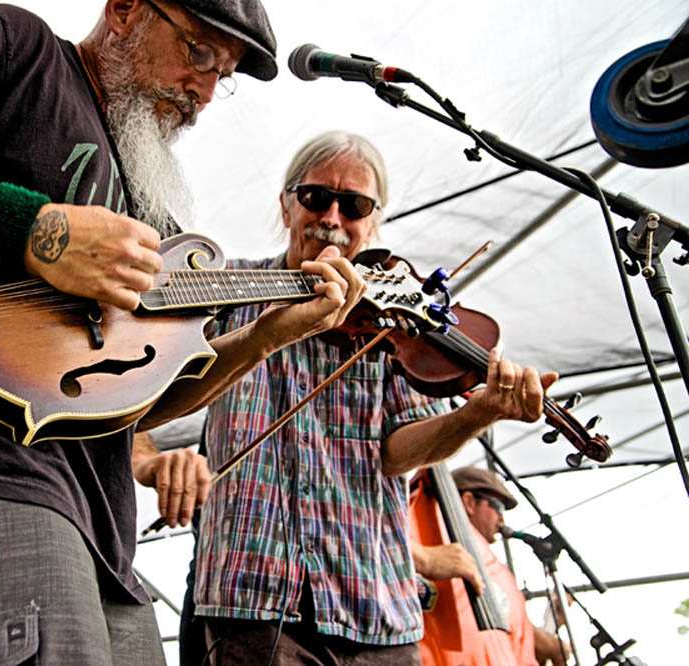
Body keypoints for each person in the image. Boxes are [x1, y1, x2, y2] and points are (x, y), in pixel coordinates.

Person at [0, 3, 366, 664]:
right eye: (199, 53)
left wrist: (263, 339)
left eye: (221, 76)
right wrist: (32, 230)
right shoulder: (17, 49)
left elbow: (133, 400)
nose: (202, 92)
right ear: (125, 10)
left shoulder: (151, 204)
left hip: (102, 538)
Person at [185, 130, 559, 665]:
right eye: (316, 197)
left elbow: (397, 451)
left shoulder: (392, 324)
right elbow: (149, 374)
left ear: (372, 221)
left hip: (376, 600)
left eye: (354, 205)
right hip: (255, 594)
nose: (333, 217)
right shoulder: (231, 288)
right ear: (287, 205)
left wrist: (478, 411)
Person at [451, 466, 571, 666]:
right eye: (497, 506)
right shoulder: (457, 556)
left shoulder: (487, 562)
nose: (502, 519)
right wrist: (546, 642)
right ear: (469, 503)